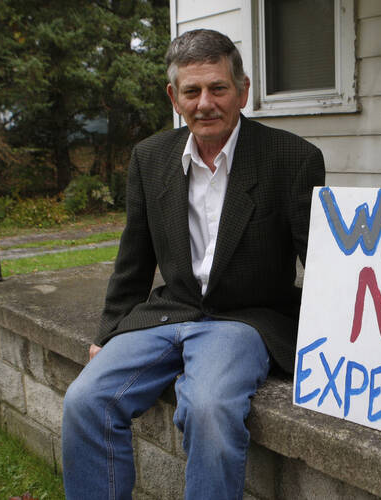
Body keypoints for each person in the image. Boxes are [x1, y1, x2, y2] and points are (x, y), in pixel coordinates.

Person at [61, 29, 325, 499]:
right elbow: (134, 255)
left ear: (242, 90)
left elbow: (322, 266)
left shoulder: (293, 158)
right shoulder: (150, 158)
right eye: (192, 91)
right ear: (174, 96)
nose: (206, 103)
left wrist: (338, 348)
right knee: (86, 400)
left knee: (208, 409)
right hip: (170, 310)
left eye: (218, 88)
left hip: (244, 320)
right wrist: (107, 333)